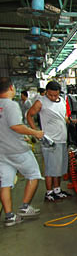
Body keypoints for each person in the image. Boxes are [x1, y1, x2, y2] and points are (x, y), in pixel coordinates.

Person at [0, 77, 44, 226]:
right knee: (34, 174)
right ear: (11, 88)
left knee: (5, 183)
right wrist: (34, 132)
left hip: (2, 152)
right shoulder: (11, 105)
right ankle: (25, 207)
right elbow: (15, 126)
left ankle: (9, 216)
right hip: (17, 150)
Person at [27, 81, 71, 202]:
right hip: (50, 141)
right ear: (46, 92)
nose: (53, 97)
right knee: (50, 168)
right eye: (50, 95)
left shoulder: (62, 101)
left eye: (55, 95)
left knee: (59, 167)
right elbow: (29, 115)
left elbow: (63, 116)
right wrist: (36, 132)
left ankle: (57, 190)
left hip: (62, 139)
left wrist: (70, 120)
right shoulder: (41, 102)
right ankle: (49, 192)